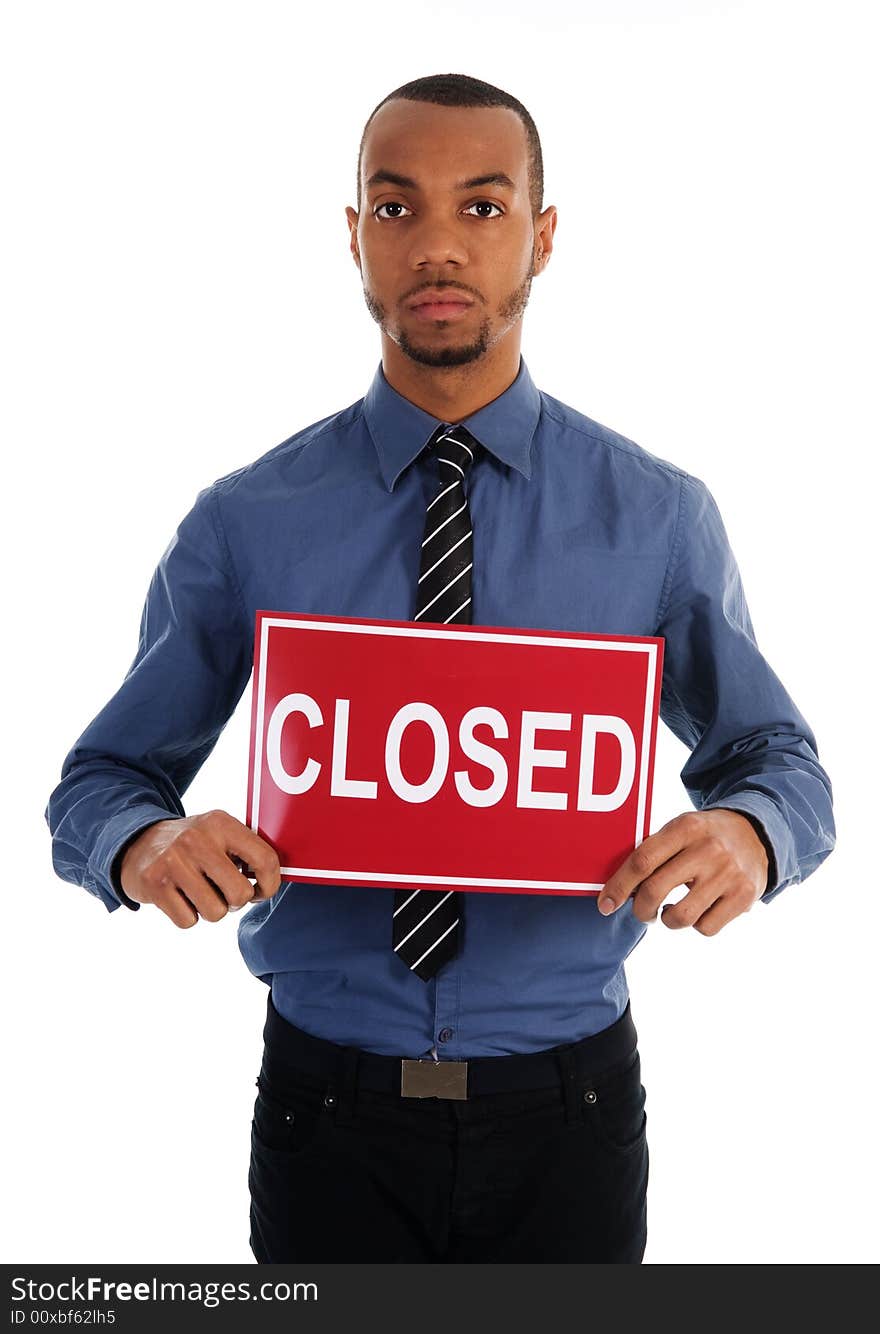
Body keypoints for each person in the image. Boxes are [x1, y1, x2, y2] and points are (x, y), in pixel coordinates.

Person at [45, 72, 836, 1264]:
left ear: (542, 234)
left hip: (568, 1115)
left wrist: (752, 830)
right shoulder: (247, 520)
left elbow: (781, 761)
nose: (437, 247)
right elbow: (98, 779)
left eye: (481, 207)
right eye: (397, 206)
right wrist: (143, 843)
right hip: (325, 1110)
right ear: (353, 234)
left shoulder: (659, 516)